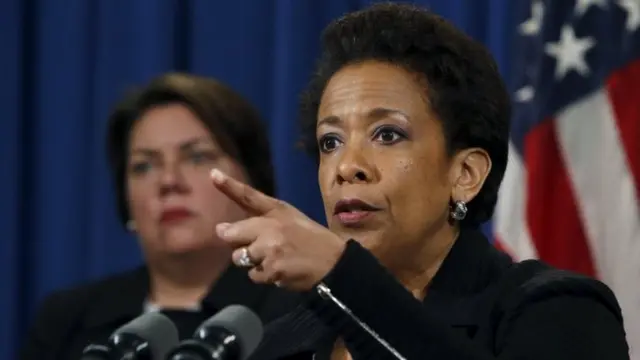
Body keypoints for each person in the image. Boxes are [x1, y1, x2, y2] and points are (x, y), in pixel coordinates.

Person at [205, 3, 630, 360]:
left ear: (465, 175)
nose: (346, 166)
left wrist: (345, 279)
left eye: (387, 134)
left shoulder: (558, 311)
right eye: (330, 141)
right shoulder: (278, 342)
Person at [19, 73, 297, 360]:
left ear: (252, 184)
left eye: (197, 157)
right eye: (144, 166)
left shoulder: (295, 317)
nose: (168, 181)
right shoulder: (66, 320)